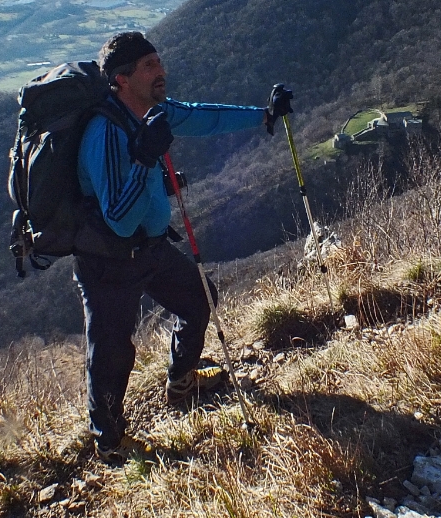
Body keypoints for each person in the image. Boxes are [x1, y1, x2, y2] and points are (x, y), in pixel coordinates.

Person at [75, 30, 293, 463]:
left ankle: (181, 381)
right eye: (149, 66)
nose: (162, 71)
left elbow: (202, 117)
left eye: (159, 62)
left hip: (151, 248)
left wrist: (264, 116)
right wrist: (143, 161)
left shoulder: (153, 113)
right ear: (121, 79)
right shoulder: (104, 134)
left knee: (199, 299)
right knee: (113, 352)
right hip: (109, 262)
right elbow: (118, 220)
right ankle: (110, 441)